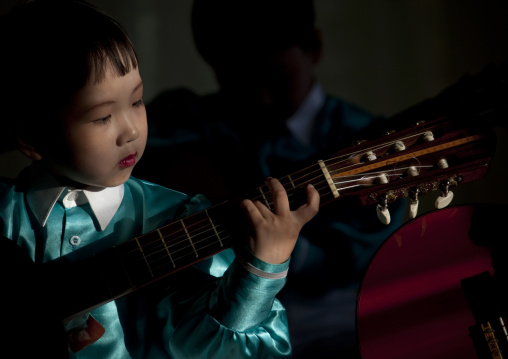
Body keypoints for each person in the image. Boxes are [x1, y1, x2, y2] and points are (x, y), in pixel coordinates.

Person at [0, 0, 320, 358]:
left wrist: (261, 270)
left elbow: (211, 349)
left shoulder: (174, 218)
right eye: (102, 117)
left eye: (136, 101)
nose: (131, 131)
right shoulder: (5, 215)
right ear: (31, 139)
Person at [134, 0, 407, 357]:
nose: (261, 98)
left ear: (314, 47)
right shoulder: (188, 120)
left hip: (326, 336)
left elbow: (349, 260)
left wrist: (274, 240)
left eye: (277, 77)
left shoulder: (369, 145)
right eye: (237, 82)